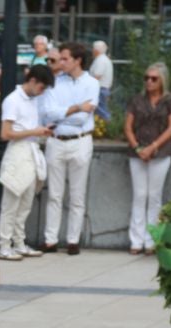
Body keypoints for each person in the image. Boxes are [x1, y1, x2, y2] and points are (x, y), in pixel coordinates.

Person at [40, 42, 100, 253]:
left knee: (77, 193)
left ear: (78, 60)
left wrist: (63, 114)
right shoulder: (54, 83)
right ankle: (50, 239)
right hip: (56, 140)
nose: (61, 63)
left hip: (80, 140)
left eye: (65, 59)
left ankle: (73, 239)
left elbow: (84, 117)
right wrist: (75, 108)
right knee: (54, 194)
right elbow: (48, 113)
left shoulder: (91, 83)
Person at [123, 63, 171, 255]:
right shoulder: (137, 100)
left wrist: (153, 147)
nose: (149, 81)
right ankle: (136, 240)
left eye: (154, 78)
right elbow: (128, 127)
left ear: (162, 80)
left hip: (161, 152)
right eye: (146, 78)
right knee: (139, 195)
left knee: (154, 196)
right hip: (137, 153)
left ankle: (151, 239)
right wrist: (138, 148)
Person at [0, 65, 52, 259]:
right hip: (18, 151)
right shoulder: (13, 100)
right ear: (33, 81)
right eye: (42, 87)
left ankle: (19, 242)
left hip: (31, 150)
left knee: (26, 201)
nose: (42, 91)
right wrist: (34, 132)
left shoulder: (32, 101)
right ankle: (4, 244)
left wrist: (38, 132)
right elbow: (5, 133)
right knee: (12, 201)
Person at [89, 40, 115, 118]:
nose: (92, 51)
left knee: (102, 112)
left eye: (93, 49)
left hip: (100, 89)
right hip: (102, 89)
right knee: (101, 111)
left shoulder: (101, 60)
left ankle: (109, 127)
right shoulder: (102, 59)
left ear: (96, 50)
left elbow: (97, 76)